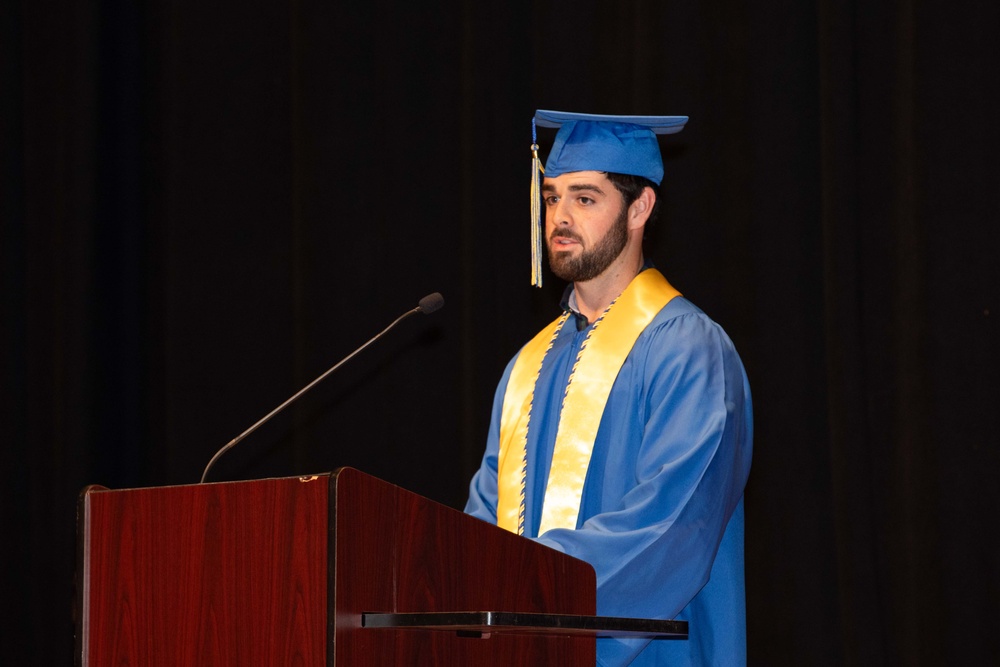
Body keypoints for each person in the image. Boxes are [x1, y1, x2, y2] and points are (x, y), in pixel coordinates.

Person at [465, 110, 753, 666]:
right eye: (551, 198)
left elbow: (670, 525)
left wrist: (522, 587)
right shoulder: (526, 367)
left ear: (639, 208)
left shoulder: (689, 351)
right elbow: (484, 521)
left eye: (585, 198)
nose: (560, 218)